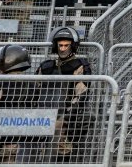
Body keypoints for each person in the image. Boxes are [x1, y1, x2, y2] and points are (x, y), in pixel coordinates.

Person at [37, 27, 94, 163]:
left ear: (72, 46)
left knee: (62, 148)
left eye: (66, 45)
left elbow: (81, 93)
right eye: (60, 45)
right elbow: (35, 88)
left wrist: (68, 115)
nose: (62, 48)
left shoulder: (80, 66)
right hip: (44, 111)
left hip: (67, 113)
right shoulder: (46, 66)